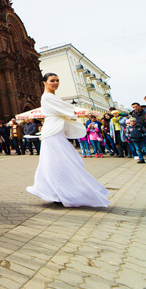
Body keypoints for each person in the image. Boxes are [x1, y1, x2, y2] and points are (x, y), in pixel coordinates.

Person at [26, 73, 110, 207]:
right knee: (60, 162)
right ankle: (60, 192)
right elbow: (67, 110)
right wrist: (85, 112)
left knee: (62, 161)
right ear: (44, 83)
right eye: (52, 80)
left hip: (56, 132)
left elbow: (66, 110)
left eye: (57, 80)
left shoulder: (52, 97)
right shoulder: (47, 97)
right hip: (52, 133)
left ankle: (59, 192)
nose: (55, 83)